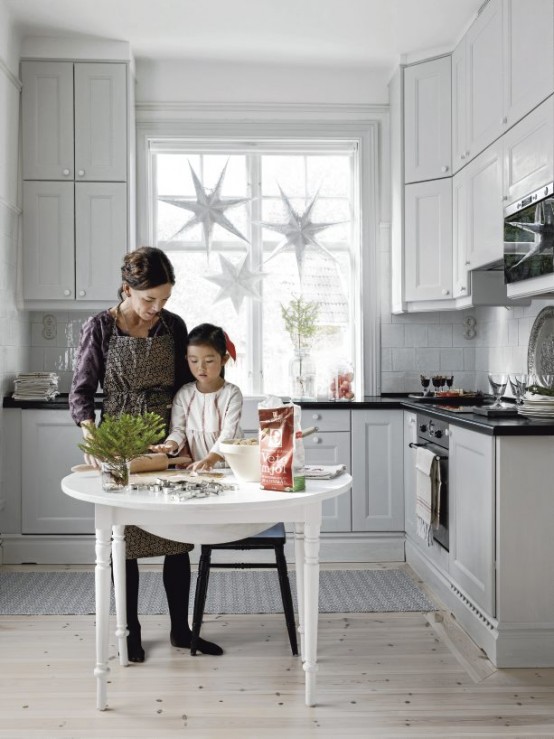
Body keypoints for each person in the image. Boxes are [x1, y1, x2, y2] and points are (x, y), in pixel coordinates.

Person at [69, 247, 223, 662]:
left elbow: (184, 387)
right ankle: (130, 631)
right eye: (148, 299)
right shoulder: (101, 326)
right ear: (127, 289)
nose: (157, 308)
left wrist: (190, 435)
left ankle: (180, 629)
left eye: (164, 300)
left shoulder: (173, 326)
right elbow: (81, 393)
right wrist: (95, 440)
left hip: (168, 438)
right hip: (120, 440)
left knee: (177, 539)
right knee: (127, 539)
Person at [151, 323, 243, 471]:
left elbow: (229, 433)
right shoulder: (184, 394)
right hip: (196, 469)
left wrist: (210, 459)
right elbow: (178, 430)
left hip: (230, 467)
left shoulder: (232, 393)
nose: (201, 368)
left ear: (224, 360)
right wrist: (169, 446)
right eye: (194, 361)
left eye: (209, 361)